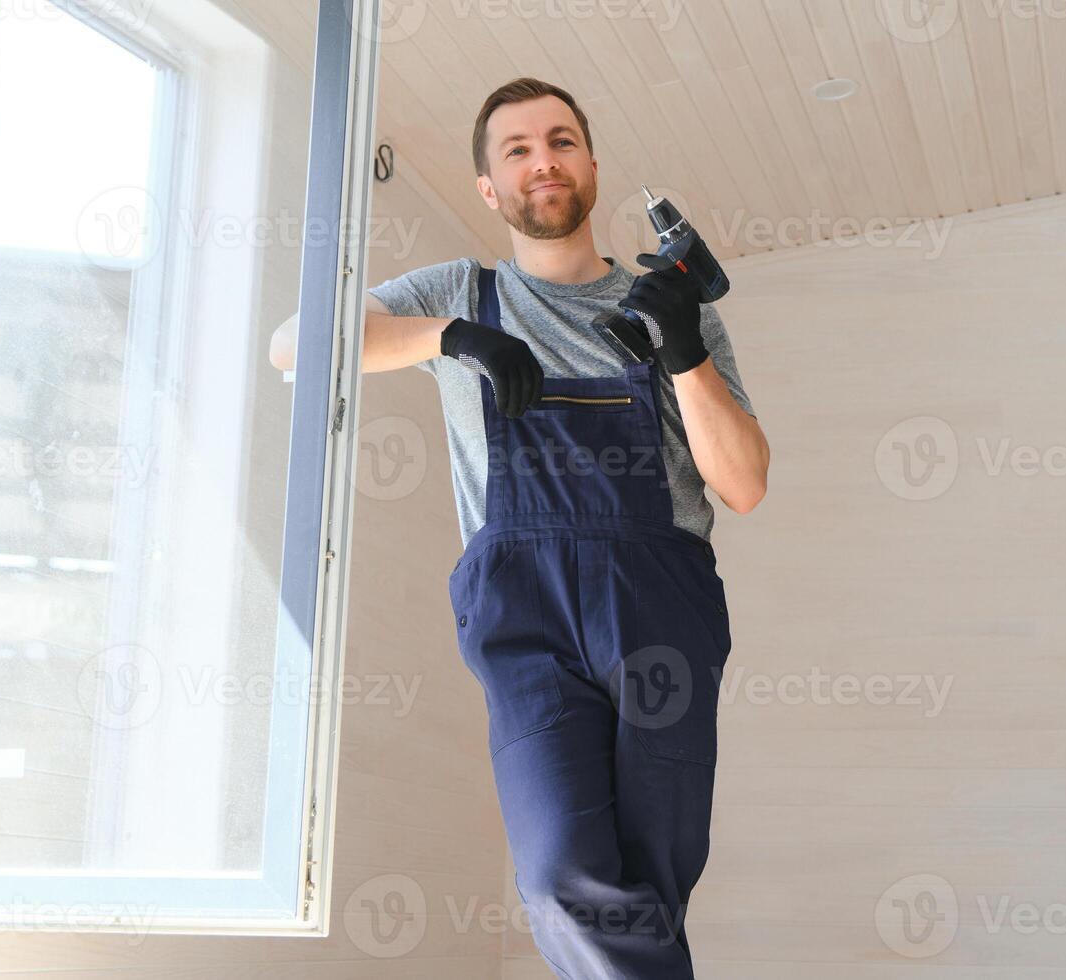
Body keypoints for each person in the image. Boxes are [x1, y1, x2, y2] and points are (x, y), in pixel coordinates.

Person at [271, 77, 768, 977]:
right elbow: (293, 344)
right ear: (490, 190)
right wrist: (452, 338)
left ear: (590, 165)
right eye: (518, 149)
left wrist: (684, 348)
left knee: (654, 875)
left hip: (660, 607)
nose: (544, 160)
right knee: (559, 873)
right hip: (524, 616)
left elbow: (743, 485)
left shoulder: (676, 305)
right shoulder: (456, 291)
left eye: (562, 140)